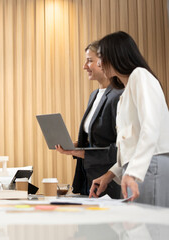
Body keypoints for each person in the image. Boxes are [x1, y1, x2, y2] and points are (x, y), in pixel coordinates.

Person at [89, 31, 169, 207]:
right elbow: (130, 144)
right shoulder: (125, 94)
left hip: (149, 164)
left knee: (151, 229)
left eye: (101, 57)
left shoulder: (140, 76)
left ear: (117, 54)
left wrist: (133, 172)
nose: (100, 63)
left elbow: (150, 127)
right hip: (139, 167)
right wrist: (110, 175)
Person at [55, 41, 123, 198]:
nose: (85, 66)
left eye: (89, 60)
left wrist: (77, 152)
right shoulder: (95, 95)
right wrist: (73, 146)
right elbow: (95, 140)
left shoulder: (118, 96)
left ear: (103, 62)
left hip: (107, 180)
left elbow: (119, 150)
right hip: (87, 176)